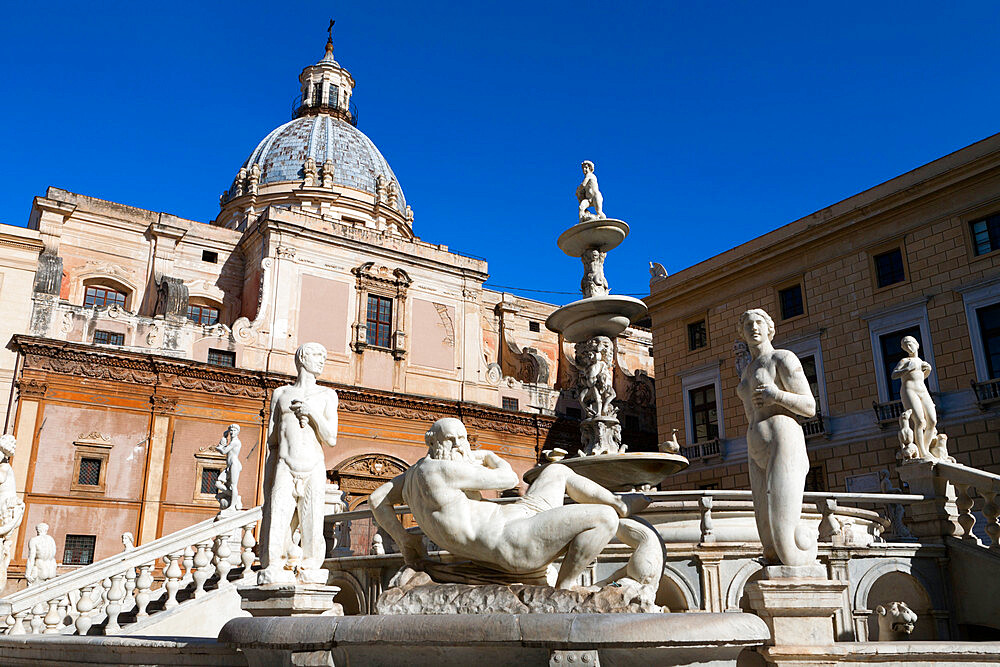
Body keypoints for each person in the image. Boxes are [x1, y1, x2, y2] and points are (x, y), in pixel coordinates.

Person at [370, 418, 659, 590]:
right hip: (512, 541)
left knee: (557, 471)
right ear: (434, 443)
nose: (461, 446)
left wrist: (405, 540)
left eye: (463, 439)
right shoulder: (443, 471)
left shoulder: (416, 472)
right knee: (603, 519)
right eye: (454, 441)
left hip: (516, 518)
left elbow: (376, 499)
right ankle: (564, 590)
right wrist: (486, 455)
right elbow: (508, 478)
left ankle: (619, 502)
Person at [736, 309, 818, 566]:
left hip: (783, 440)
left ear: (770, 327)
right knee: (769, 545)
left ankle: (801, 581)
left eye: (759, 322)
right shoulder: (747, 370)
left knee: (786, 542)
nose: (754, 328)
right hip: (756, 446)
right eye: (748, 324)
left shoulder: (782, 358)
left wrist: (777, 395)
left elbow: (810, 406)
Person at [258, 342, 339, 584]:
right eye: (316, 355)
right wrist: (267, 481)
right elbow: (272, 441)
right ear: (302, 358)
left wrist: (312, 413)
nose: (322, 360)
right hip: (285, 462)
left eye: (323, 356)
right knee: (277, 515)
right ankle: (274, 563)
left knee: (312, 519)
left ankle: (311, 565)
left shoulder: (327, 396)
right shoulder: (280, 394)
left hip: (313, 464)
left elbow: (331, 438)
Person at [892, 336, 937, 460]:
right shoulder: (904, 361)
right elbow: (894, 375)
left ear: (917, 344)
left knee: (932, 421)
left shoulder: (921, 361)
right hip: (909, 390)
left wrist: (928, 370)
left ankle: (925, 449)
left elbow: (921, 377)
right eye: (905, 345)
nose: (908, 346)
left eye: (910, 343)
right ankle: (923, 452)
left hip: (922, 390)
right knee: (920, 421)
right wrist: (907, 369)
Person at [215, 424, 243, 512]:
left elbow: (224, 451)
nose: (232, 432)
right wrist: (224, 437)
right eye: (231, 430)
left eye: (234, 430)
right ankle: (235, 497)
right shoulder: (231, 441)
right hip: (229, 466)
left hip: (234, 464)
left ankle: (232, 506)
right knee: (218, 483)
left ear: (238, 432)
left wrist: (218, 447)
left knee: (233, 485)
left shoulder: (235, 442)